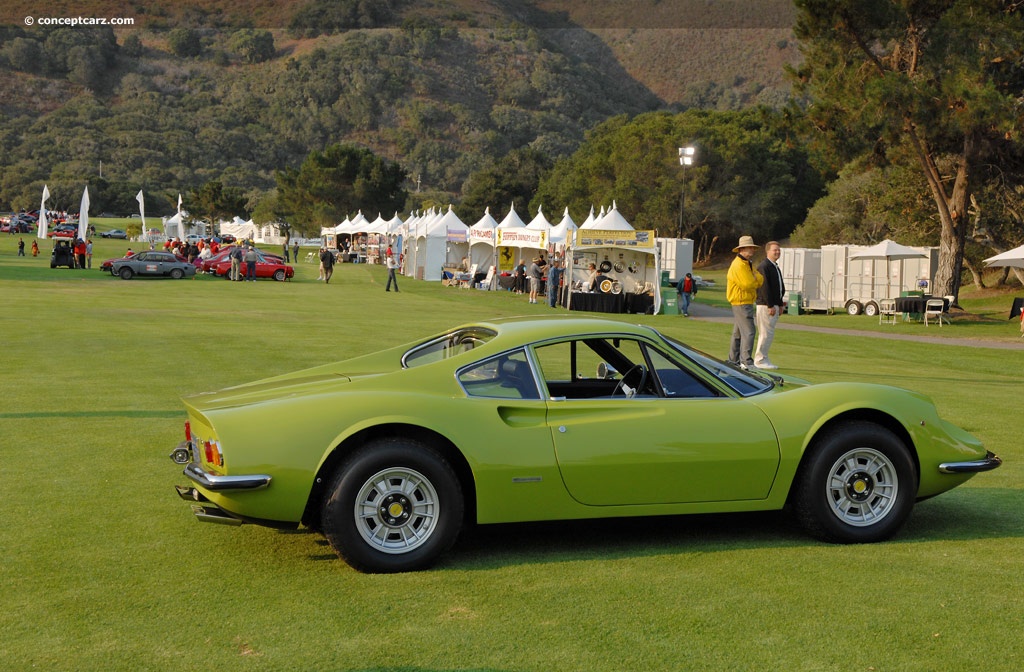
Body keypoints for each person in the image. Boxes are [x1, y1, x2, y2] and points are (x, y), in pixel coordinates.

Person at [726, 235, 764, 370]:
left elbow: (760, 278)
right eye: (750, 248)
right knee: (749, 331)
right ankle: (746, 361)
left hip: (743, 301)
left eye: (753, 248)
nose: (752, 251)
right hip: (742, 301)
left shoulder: (747, 263)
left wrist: (755, 279)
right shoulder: (739, 265)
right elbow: (748, 284)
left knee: (738, 332)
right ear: (742, 249)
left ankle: (732, 360)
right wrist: (755, 280)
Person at [754, 241, 786, 369]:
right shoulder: (764, 266)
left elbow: (778, 287)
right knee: (765, 333)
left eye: (779, 250)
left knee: (769, 333)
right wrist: (770, 305)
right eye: (775, 250)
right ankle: (760, 360)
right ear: (768, 251)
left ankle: (764, 358)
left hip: (774, 305)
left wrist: (780, 304)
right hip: (765, 305)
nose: (777, 252)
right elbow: (764, 287)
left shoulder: (774, 266)